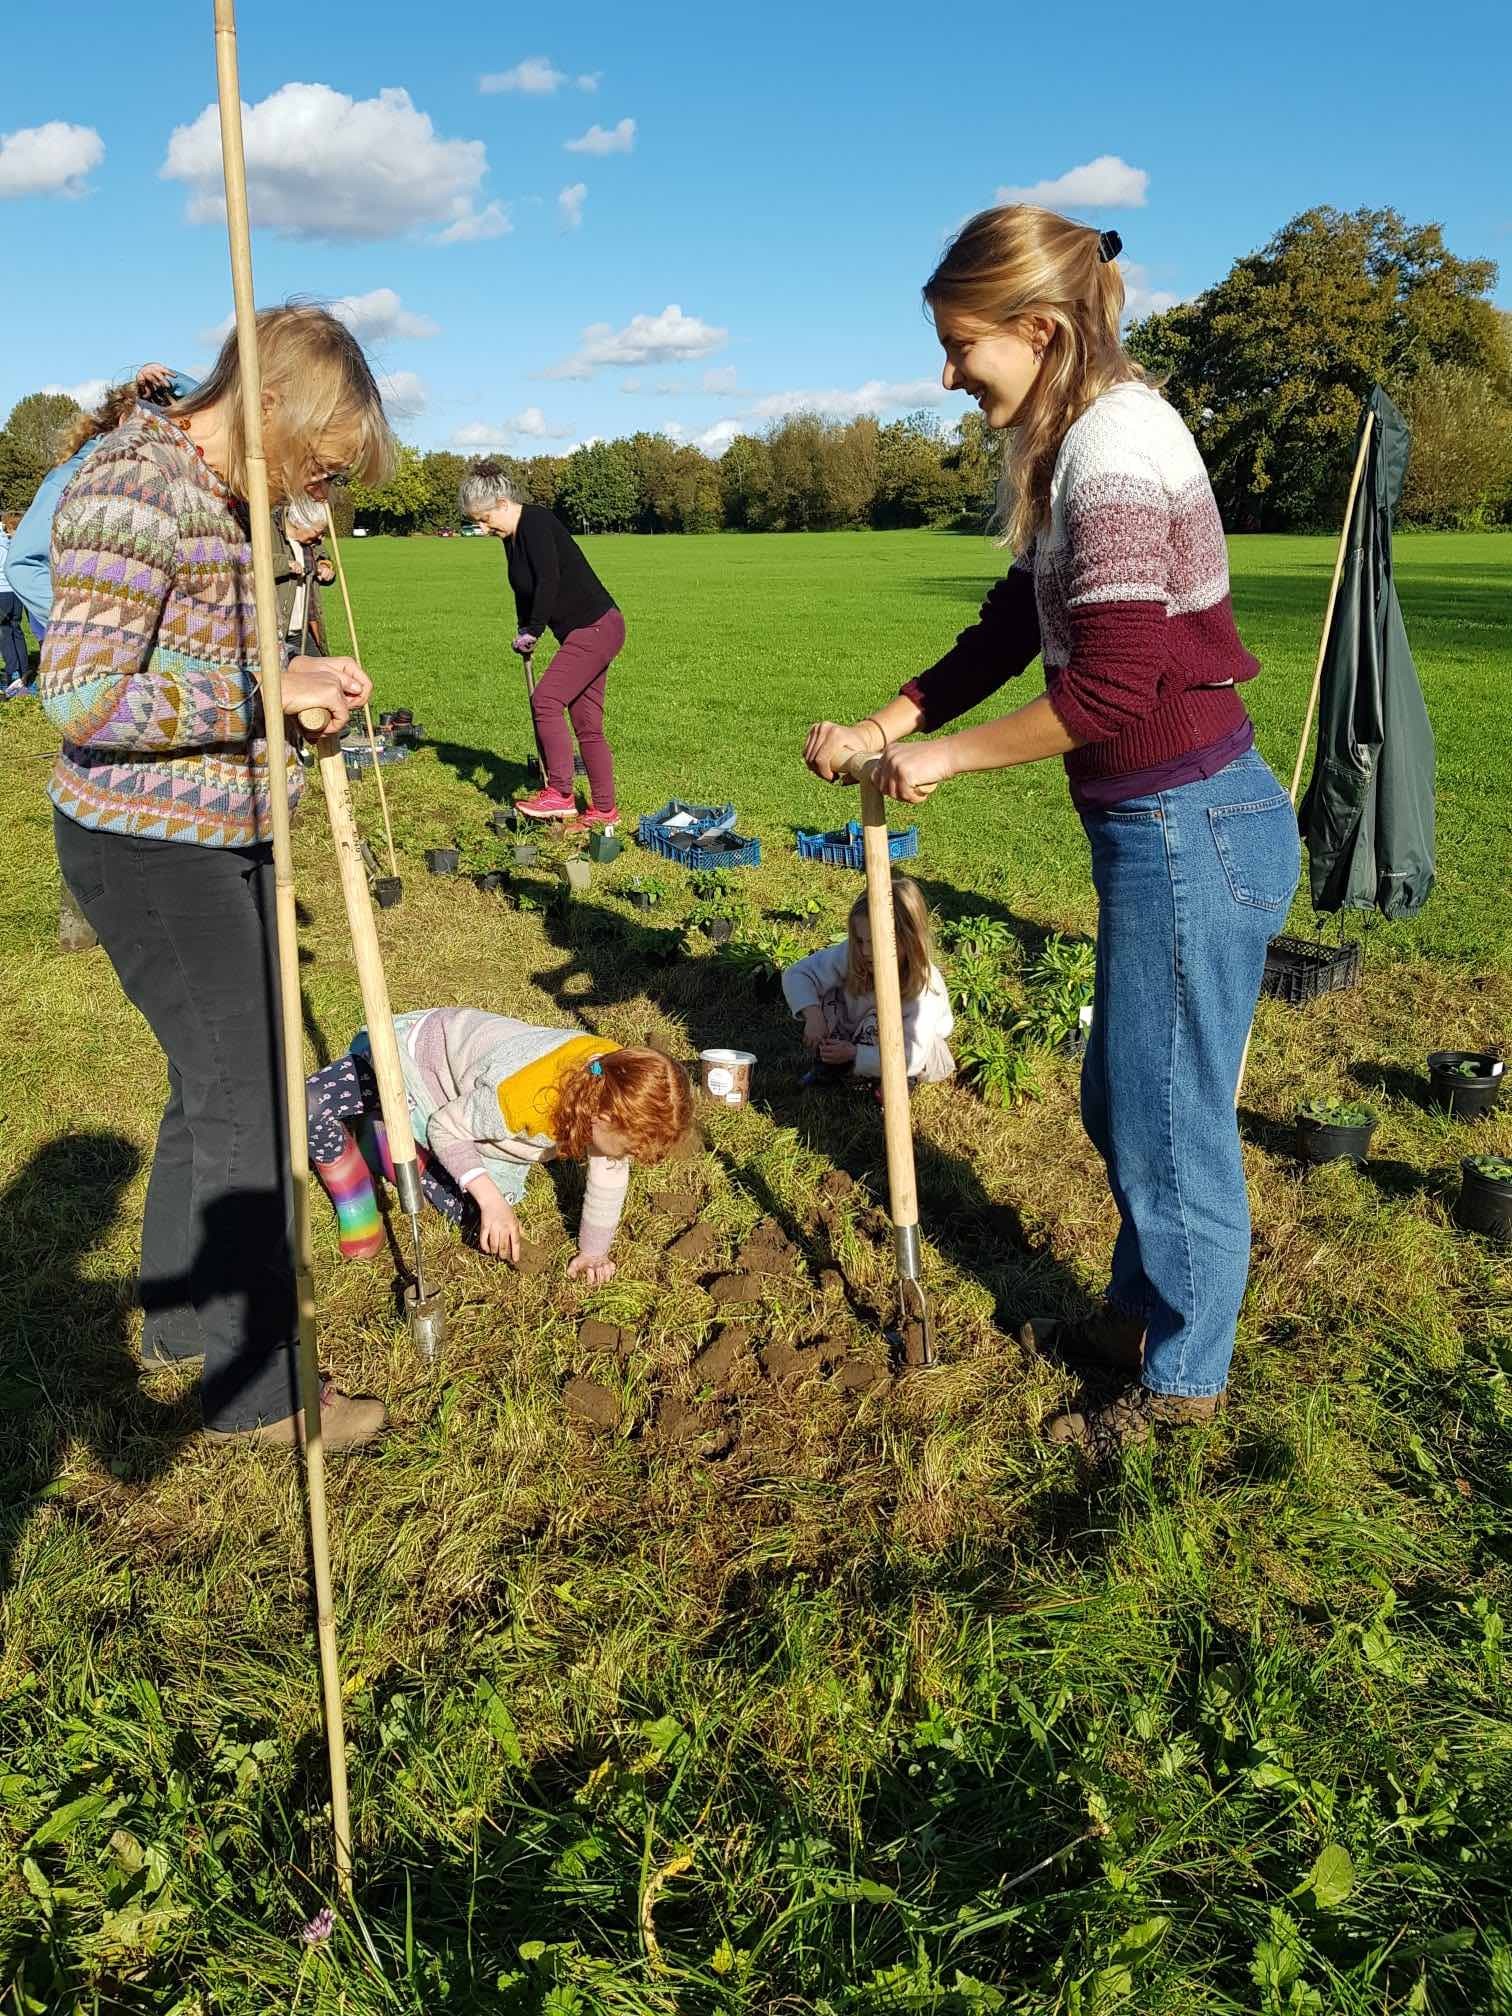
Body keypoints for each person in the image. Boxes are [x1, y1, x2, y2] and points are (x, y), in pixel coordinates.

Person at [804, 206, 1300, 1466]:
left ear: (1037, 328)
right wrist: (887, 722)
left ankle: (1182, 1390)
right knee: (1128, 1095)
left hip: (1193, 820)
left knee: (1165, 1117)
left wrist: (948, 757)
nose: (948, 375)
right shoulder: (1075, 441)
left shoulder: (1117, 447)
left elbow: (1119, 684)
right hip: (1166, 821)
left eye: (960, 345)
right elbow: (1015, 624)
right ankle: (1142, 1315)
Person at [40, 306, 395, 1449]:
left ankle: (182, 1323)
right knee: (252, 1100)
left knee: (213, 1086)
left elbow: (208, 654)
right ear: (271, 401)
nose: (320, 483)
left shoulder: (227, 494)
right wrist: (262, 695)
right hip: (146, 845)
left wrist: (297, 679)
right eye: (321, 458)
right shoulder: (134, 484)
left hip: (216, 833)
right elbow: (82, 698)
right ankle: (256, 1393)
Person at [306, 1012, 692, 1283]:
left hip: (470, 1110)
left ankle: (383, 1140)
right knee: (305, 1106)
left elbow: (609, 1177)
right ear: (601, 1118)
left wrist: (593, 1252)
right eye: (626, 1150)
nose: (623, 1159)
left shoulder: (614, 1084)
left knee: (478, 1222)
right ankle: (355, 1190)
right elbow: (445, 1127)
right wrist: (492, 1200)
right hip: (415, 1062)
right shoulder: (525, 1096)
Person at [458, 468, 624, 828]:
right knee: (587, 724)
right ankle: (604, 811)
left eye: (485, 519)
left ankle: (560, 794)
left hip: (596, 627)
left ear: (503, 503)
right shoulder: (511, 538)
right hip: (585, 631)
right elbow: (524, 589)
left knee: (546, 701)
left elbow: (549, 579)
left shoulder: (535, 522)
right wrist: (524, 627)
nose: (483, 529)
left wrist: (535, 630)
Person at [4, 364, 198, 654]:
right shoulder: (71, 478)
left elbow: (220, 414)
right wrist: (87, 626)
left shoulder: (160, 480)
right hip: (96, 652)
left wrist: (177, 382)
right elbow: (23, 564)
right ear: (122, 421)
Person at [782, 877, 955, 1094]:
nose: (864, 951)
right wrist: (813, 1015)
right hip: (857, 1031)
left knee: (884, 1027)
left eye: (874, 942)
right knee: (827, 995)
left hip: (910, 1051)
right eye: (860, 940)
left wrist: (856, 1054)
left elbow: (913, 1056)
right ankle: (832, 1064)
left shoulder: (925, 987)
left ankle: (891, 1081)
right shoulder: (853, 953)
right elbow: (798, 974)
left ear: (908, 938)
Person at [273, 497, 336, 655]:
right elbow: (253, 562)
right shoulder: (269, 531)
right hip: (274, 632)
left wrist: (325, 567)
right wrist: (286, 565)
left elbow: (324, 558)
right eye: (318, 532)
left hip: (303, 630)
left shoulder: (311, 542)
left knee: (324, 668)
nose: (321, 538)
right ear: (300, 523)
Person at [0, 519, 28, 696]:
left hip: (1, 592)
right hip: (15, 592)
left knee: (4, 634)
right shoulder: (10, 541)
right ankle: (24, 673)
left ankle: (13, 676)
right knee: (16, 631)